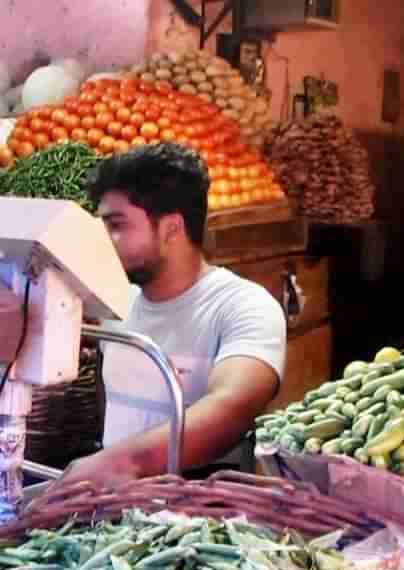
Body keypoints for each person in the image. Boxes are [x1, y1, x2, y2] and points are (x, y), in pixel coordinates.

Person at [61, 143, 286, 486]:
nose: (103, 239)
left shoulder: (244, 307)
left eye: (116, 225)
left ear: (172, 229)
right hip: (113, 503)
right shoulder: (117, 301)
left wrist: (123, 463)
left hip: (196, 516)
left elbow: (232, 408)